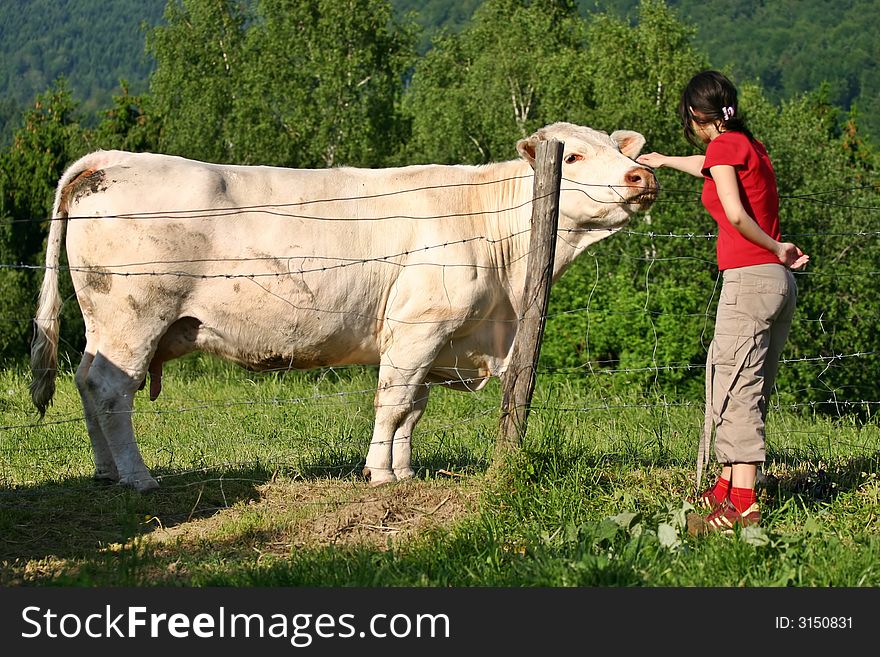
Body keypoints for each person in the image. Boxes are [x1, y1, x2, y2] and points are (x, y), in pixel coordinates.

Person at [636, 70, 810, 533]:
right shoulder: (748, 147)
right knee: (744, 383)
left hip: (751, 278)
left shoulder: (724, 147)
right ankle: (727, 484)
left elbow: (733, 211)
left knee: (735, 388)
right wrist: (666, 160)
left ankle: (743, 507)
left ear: (696, 115)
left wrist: (775, 247)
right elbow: (710, 165)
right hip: (776, 282)